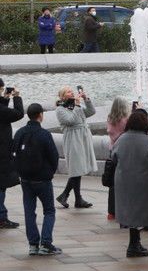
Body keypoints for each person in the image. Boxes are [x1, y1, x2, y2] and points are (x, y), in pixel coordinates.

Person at [111, 109, 148, 258]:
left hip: (124, 180)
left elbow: (113, 156)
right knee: (140, 211)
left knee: (130, 210)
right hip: (143, 181)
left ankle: (134, 242)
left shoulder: (121, 139)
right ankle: (134, 245)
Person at [13, 103, 60, 255]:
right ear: (40, 115)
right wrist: (50, 172)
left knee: (29, 211)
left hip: (25, 179)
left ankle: (33, 244)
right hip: (42, 179)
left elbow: (14, 153)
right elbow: (53, 156)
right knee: (49, 211)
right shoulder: (44, 134)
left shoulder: (20, 132)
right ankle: (46, 243)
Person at [54, 86, 95, 209]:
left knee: (78, 168)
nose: (71, 92)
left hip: (82, 137)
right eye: (68, 92)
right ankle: (71, 197)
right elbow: (71, 120)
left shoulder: (75, 106)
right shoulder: (60, 109)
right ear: (62, 96)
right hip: (73, 139)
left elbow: (91, 112)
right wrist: (77, 106)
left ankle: (73, 198)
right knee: (76, 168)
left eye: (72, 91)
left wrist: (86, 99)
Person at [0, 81, 24, 229]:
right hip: (2, 153)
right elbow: (18, 113)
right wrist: (16, 97)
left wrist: (5, 98)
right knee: (1, 186)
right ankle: (1, 217)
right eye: (1, 89)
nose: (2, 91)